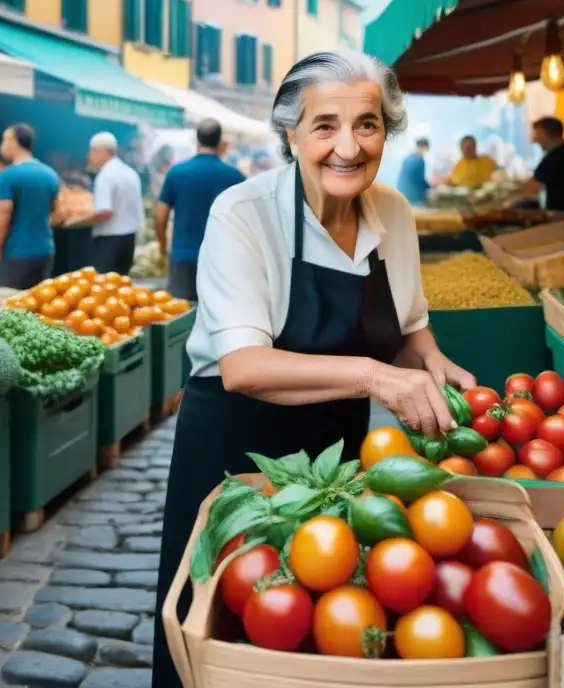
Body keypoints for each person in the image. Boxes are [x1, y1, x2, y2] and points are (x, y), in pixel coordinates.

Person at [151, 50, 475, 687]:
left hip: (336, 457)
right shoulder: (243, 213)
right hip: (235, 448)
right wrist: (377, 378)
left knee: (325, 629)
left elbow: (408, 330)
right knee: (225, 627)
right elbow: (244, 365)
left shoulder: (396, 215)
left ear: (388, 131)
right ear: (290, 134)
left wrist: (436, 366)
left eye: (368, 124)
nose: (347, 147)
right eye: (324, 125)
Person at [155, 118, 244, 301]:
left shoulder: (176, 173)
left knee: (181, 318)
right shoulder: (235, 177)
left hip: (182, 258)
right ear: (220, 142)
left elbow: (160, 217)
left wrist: (163, 250)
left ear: (197, 140)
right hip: (221, 260)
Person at [0, 124, 60, 289]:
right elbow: (57, 211)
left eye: (4, 140)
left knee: (12, 304)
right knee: (38, 303)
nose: (1, 145)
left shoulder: (7, 176)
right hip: (45, 250)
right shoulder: (50, 174)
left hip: (18, 252)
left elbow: (4, 214)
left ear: (13, 141)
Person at [505, 116, 564, 212]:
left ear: (547, 134)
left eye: (537, 134)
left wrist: (503, 193)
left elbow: (531, 187)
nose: (534, 140)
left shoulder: (557, 157)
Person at [84, 132, 144, 274]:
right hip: (129, 240)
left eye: (92, 151)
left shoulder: (105, 176)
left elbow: (104, 212)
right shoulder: (130, 173)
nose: (90, 156)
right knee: (121, 286)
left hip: (108, 242)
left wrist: (76, 221)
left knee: (104, 289)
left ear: (104, 152)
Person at [396, 137, 430, 206]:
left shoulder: (408, 158)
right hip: (414, 198)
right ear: (424, 147)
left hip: (401, 194)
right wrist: (431, 187)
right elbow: (420, 181)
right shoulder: (420, 160)